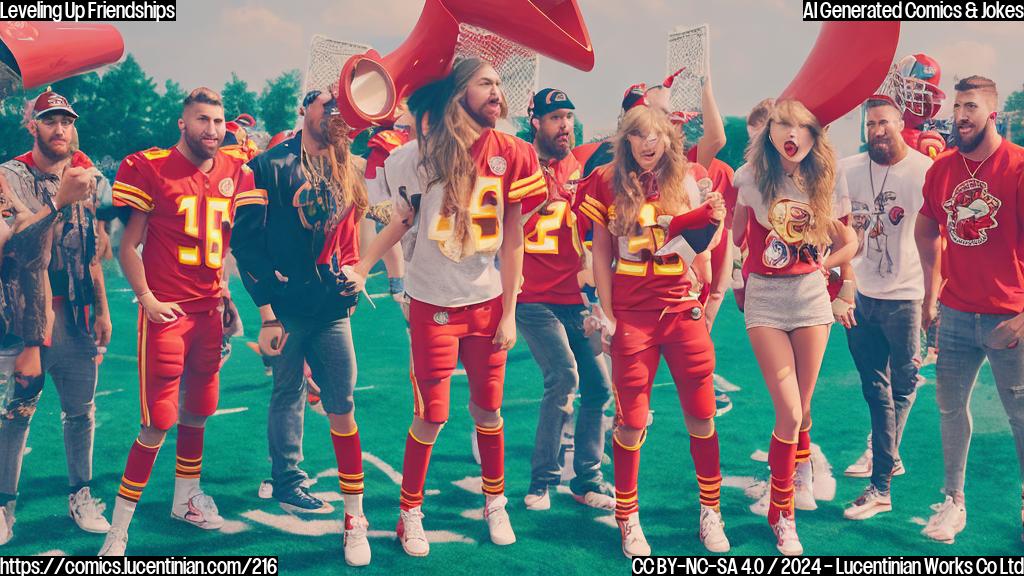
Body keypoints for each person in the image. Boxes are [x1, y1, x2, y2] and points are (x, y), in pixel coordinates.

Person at [348, 57, 544, 557]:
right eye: (486, 83)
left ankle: (495, 500)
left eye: (500, 83)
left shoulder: (515, 152)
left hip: (485, 299)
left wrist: (509, 311)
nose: (497, 91)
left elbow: (514, 238)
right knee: (431, 415)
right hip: (432, 300)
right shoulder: (416, 155)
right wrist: (366, 264)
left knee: (489, 408)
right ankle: (408, 512)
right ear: (458, 93)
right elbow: (391, 214)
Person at [99, 87, 254, 556]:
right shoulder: (151, 167)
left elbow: (222, 243)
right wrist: (145, 298)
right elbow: (128, 246)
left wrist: (226, 294)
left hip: (208, 311)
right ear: (182, 123)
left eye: (218, 121)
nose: (212, 129)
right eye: (202, 120)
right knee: (158, 421)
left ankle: (185, 498)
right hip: (168, 311)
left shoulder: (233, 170)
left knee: (199, 410)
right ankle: (119, 528)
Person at [231, 89, 373, 566]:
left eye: (341, 108)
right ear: (303, 110)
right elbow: (247, 245)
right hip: (287, 306)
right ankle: (288, 480)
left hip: (330, 307)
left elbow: (351, 237)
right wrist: (267, 311)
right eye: (326, 105)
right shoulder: (267, 165)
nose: (334, 113)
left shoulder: (347, 165)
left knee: (342, 399)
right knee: (288, 391)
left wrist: (354, 273)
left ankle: (352, 508)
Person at [580, 105, 730, 557]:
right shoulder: (606, 181)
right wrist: (607, 313)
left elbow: (707, 246)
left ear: (669, 139)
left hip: (680, 308)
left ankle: (711, 510)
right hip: (633, 313)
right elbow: (601, 254)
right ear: (625, 140)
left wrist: (714, 221)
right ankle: (628, 516)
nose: (648, 143)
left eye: (656, 135)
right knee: (631, 421)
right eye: (638, 135)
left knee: (702, 415)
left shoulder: (687, 178)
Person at [731, 99, 857, 556]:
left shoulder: (828, 175)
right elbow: (735, 234)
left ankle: (790, 487)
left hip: (810, 298)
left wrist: (835, 270)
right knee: (789, 412)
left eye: (801, 126)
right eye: (783, 124)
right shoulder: (749, 177)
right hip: (766, 298)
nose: (792, 134)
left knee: (802, 411)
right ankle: (782, 514)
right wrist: (728, 278)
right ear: (770, 131)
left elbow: (850, 239)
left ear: (812, 134)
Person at [914, 76, 1024, 544]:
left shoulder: (1018, 168)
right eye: (957, 106)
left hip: (1008, 316)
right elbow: (925, 228)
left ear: (992, 114)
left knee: (1020, 414)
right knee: (949, 409)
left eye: (971, 107)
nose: (960, 116)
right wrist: (930, 288)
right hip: (956, 313)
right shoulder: (942, 169)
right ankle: (953, 502)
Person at [0, 90, 106, 544]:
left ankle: (80, 494)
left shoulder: (82, 175)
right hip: (28, 318)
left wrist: (102, 307)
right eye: (49, 121)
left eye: (65, 120)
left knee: (80, 412)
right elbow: (15, 249)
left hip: (78, 315)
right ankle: (4, 505)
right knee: (18, 412)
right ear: (32, 126)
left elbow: (92, 251)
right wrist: (58, 203)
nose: (59, 129)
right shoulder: (8, 177)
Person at [516, 88, 613, 512]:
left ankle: (587, 478)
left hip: (573, 297)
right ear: (535, 120)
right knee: (564, 377)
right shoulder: (518, 162)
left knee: (599, 386)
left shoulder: (579, 166)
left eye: (570, 117)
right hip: (531, 296)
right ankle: (543, 480)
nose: (565, 126)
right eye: (556, 117)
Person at [840, 97, 932, 520]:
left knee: (903, 384)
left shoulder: (921, 171)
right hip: (860, 293)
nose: (877, 130)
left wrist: (936, 295)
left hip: (905, 295)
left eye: (885, 122)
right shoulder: (848, 169)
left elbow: (938, 238)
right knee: (875, 389)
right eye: (871, 123)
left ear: (900, 123)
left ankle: (882, 477)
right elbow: (838, 226)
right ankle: (883, 474)